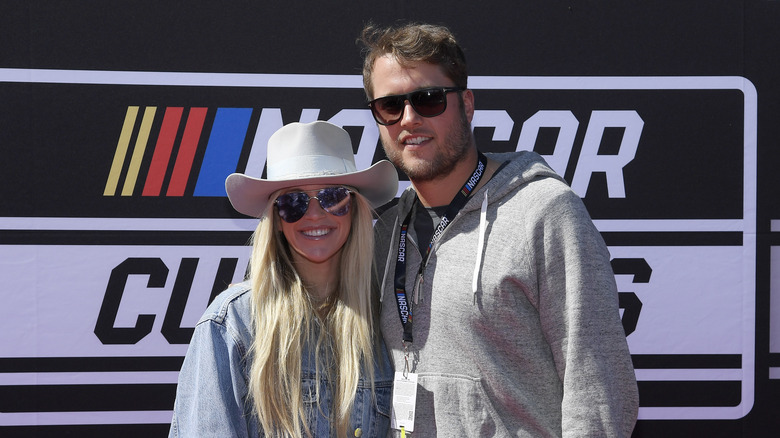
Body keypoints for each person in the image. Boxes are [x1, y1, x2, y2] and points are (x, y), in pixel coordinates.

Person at [360, 23, 639, 437]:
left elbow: (599, 394)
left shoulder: (544, 211)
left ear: (466, 104)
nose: (410, 119)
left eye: (429, 99)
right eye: (390, 106)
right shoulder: (382, 233)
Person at [169, 121, 399, 437]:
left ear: (356, 211)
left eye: (332, 197)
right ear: (276, 220)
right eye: (293, 202)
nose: (315, 214)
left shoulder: (388, 321)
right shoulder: (233, 323)